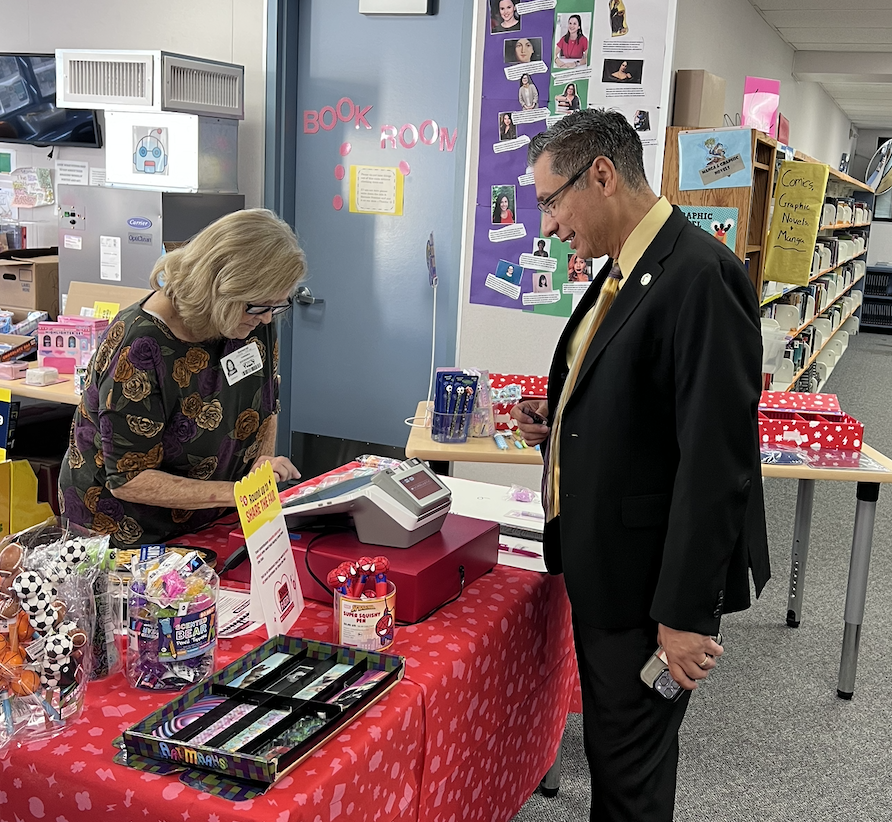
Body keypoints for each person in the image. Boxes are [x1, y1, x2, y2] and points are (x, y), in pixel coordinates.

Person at [512, 109, 770, 821]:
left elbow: (717, 462)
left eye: (551, 199)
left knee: (630, 782)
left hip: (649, 586)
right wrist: (558, 422)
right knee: (615, 761)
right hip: (609, 567)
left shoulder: (700, 277)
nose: (548, 224)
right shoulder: (627, 267)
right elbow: (637, 404)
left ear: (601, 174)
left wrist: (687, 616)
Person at [58, 208, 307, 548]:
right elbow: (129, 479)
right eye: (259, 307)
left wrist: (260, 463)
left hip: (214, 515)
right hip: (126, 532)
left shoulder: (251, 318)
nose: (266, 319)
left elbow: (266, 402)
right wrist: (238, 493)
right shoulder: (140, 345)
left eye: (277, 307)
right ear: (219, 289)